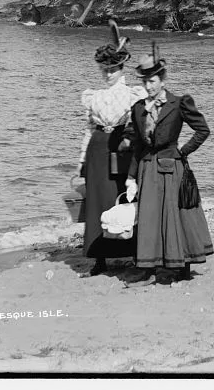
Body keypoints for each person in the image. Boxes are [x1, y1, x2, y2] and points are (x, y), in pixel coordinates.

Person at [122, 50, 214, 286]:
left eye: (152, 81)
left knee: (175, 217)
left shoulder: (179, 103)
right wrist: (131, 177)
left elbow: (202, 130)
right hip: (147, 169)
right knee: (149, 219)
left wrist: (183, 151)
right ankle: (147, 268)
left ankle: (181, 267)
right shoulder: (138, 108)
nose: (148, 86)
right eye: (145, 82)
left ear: (163, 80)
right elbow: (137, 145)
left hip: (172, 168)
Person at [76, 22, 147, 275]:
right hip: (97, 148)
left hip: (122, 147)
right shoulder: (93, 96)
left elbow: (138, 126)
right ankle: (100, 258)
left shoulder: (133, 94)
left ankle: (133, 250)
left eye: (112, 70)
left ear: (121, 68)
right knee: (96, 202)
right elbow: (88, 129)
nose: (107, 75)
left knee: (125, 197)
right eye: (104, 70)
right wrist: (81, 161)